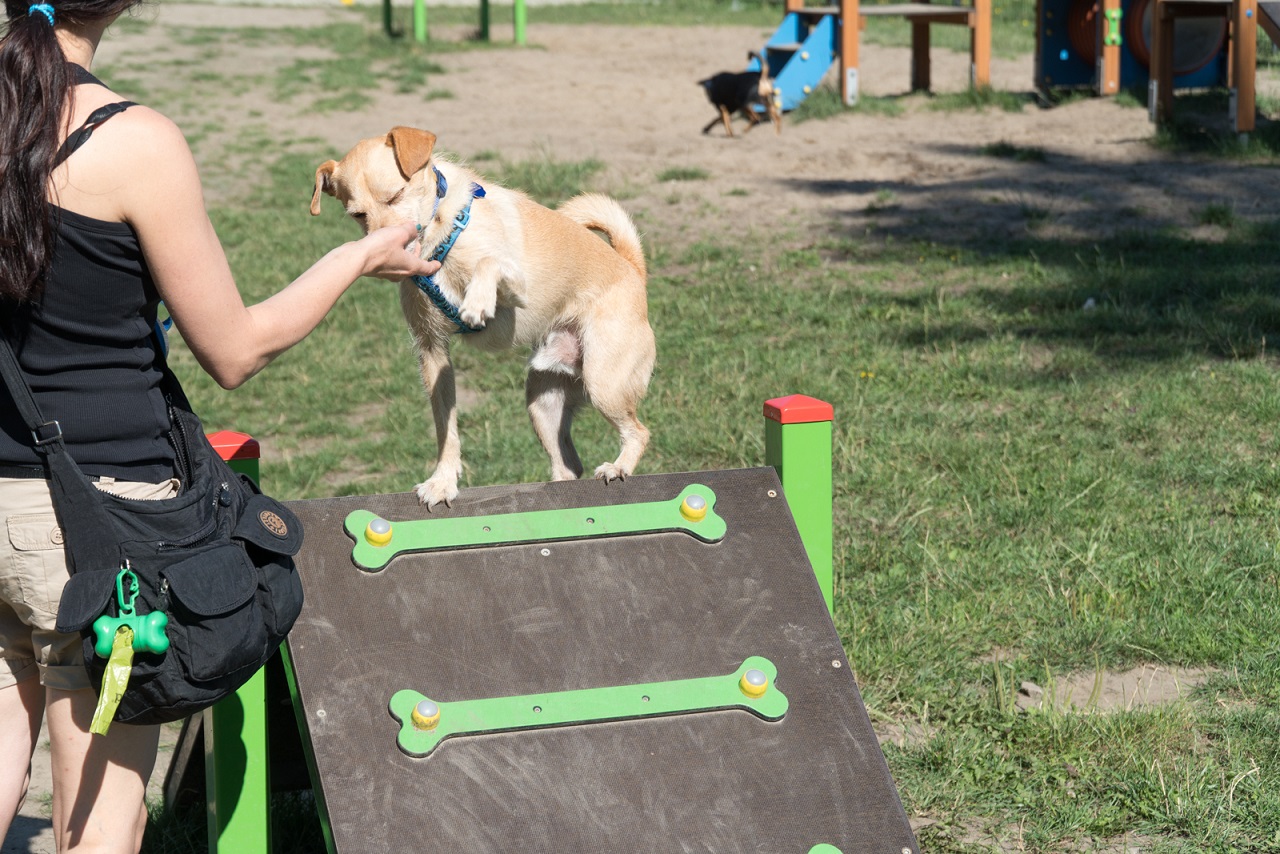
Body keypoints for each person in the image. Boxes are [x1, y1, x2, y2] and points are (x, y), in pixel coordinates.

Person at [0, 0, 439, 849]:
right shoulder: (136, 143)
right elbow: (233, 352)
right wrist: (356, 254)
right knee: (98, 826)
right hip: (95, 530)